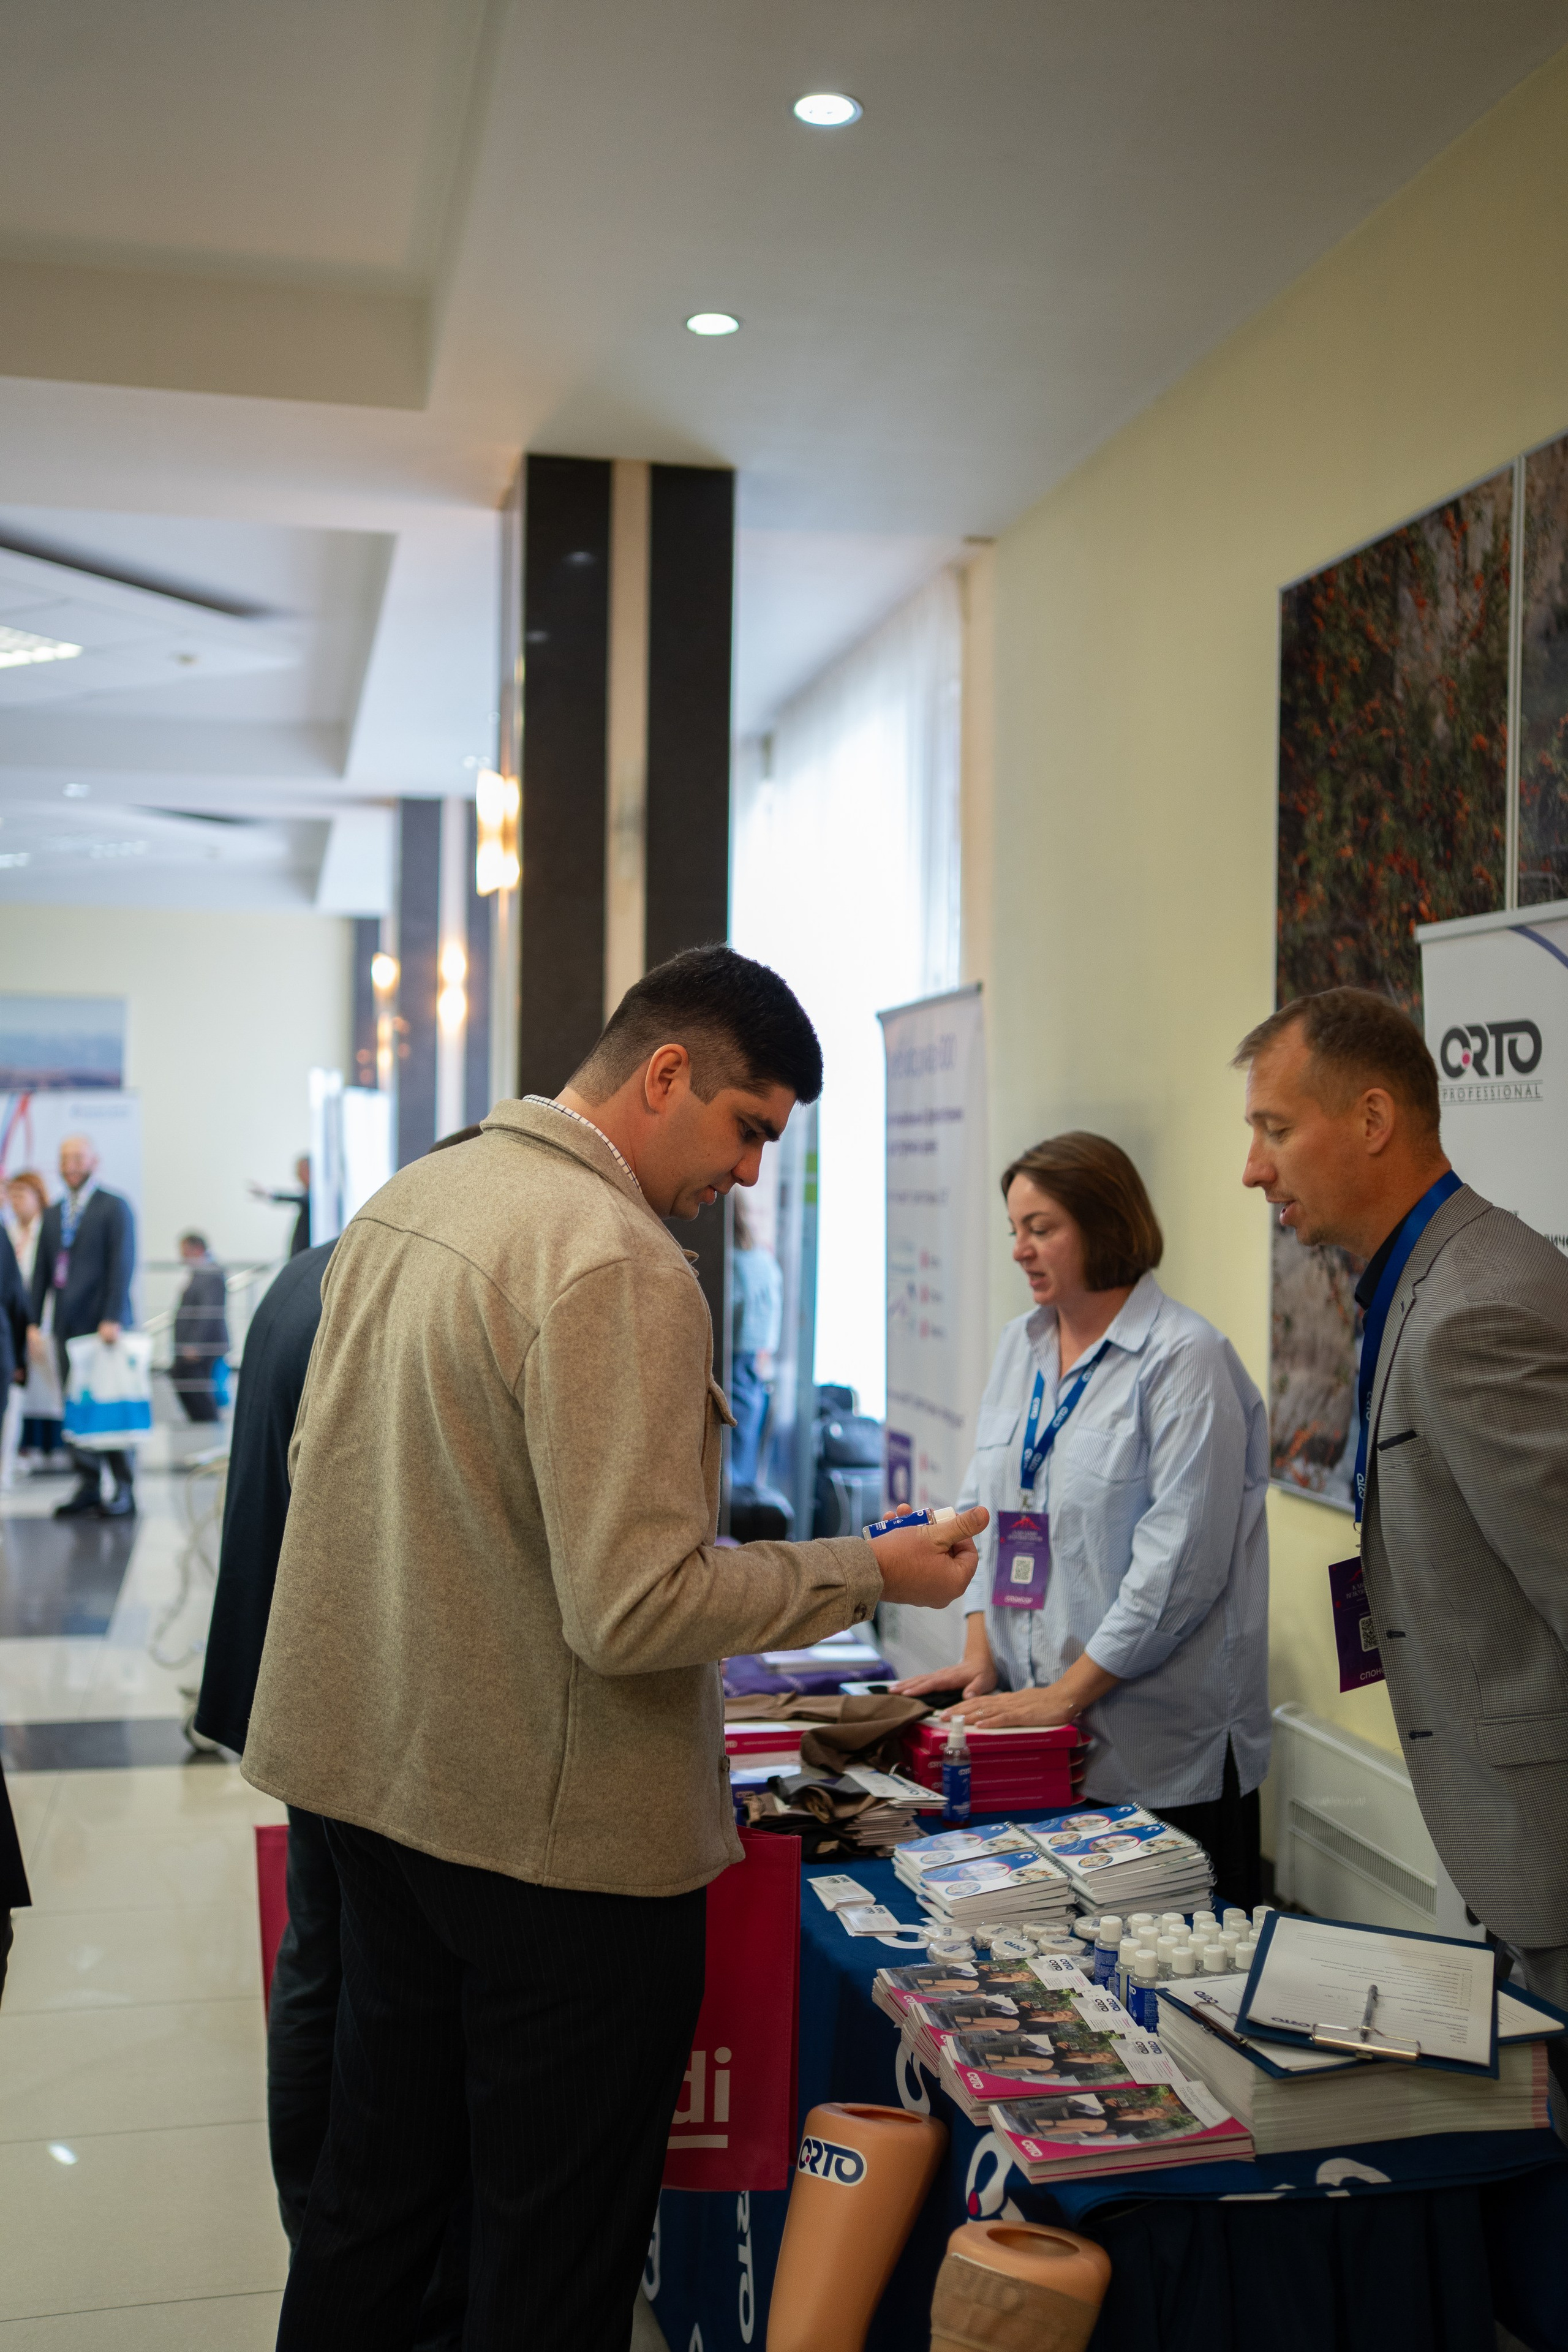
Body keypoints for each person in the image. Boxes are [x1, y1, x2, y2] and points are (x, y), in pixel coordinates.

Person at [240, 946, 986, 2352]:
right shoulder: (616, 1258)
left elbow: (343, 1494)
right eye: (746, 1128)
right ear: (663, 1073)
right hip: (555, 1855)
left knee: (376, 2202)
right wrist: (867, 1572)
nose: (749, 1175)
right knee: (551, 2255)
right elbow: (634, 1608)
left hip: (385, 1796)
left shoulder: (415, 1199)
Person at [1236, 984, 1568, 2103]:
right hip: (1513, 1862)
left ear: (1372, 1119)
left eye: (1276, 1130)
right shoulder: (1417, 1284)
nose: (1253, 1169)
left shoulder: (1476, 1308)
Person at [894, 1131, 1270, 1909]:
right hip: (1036, 1742)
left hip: (1153, 1759)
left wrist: (1065, 1694)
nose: (1019, 1250)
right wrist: (980, 1653)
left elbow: (1178, 1571)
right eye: (1014, 1230)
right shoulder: (1020, 1345)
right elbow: (985, 1507)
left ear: (1104, 1225)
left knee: (1165, 1970)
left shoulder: (1185, 1359)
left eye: (1040, 1229)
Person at [26, 1135, 138, 1520]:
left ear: (95, 1161)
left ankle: (124, 1487)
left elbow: (122, 1265)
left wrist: (113, 1316)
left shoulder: (114, 1206)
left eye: (77, 1157)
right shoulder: (54, 1213)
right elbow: (42, 1271)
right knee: (76, 1408)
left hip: (104, 1328)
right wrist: (33, 1322)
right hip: (67, 1327)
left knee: (111, 1406)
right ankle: (88, 1484)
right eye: (64, 1158)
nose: (70, 1164)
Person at [4, 1172, 64, 1475]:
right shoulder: (9, 1231)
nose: (14, 1201)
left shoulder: (50, 1230)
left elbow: (49, 1280)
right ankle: (22, 1450)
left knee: (51, 1389)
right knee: (19, 1391)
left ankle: (56, 1447)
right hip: (13, 1323)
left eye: (21, 1194)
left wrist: (36, 1323)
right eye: (11, 1195)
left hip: (42, 1320)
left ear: (38, 1196)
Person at [729, 1193, 782, 1486]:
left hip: (732, 1362)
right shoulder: (764, 1260)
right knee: (745, 1461)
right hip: (755, 1367)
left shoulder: (730, 1263)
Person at [168, 1231, 230, 1424]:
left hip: (203, 1347)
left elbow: (208, 1312)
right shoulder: (200, 1273)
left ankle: (209, 1426)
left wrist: (195, 1344)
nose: (182, 1257)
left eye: (185, 1252)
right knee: (182, 1377)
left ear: (197, 1249)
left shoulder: (211, 1272)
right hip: (193, 1347)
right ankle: (201, 1423)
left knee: (197, 1387)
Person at [251, 1155, 312, 1258]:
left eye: (301, 1170)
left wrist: (272, 1195)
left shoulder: (317, 1199)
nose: (298, 1175)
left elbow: (304, 1200)